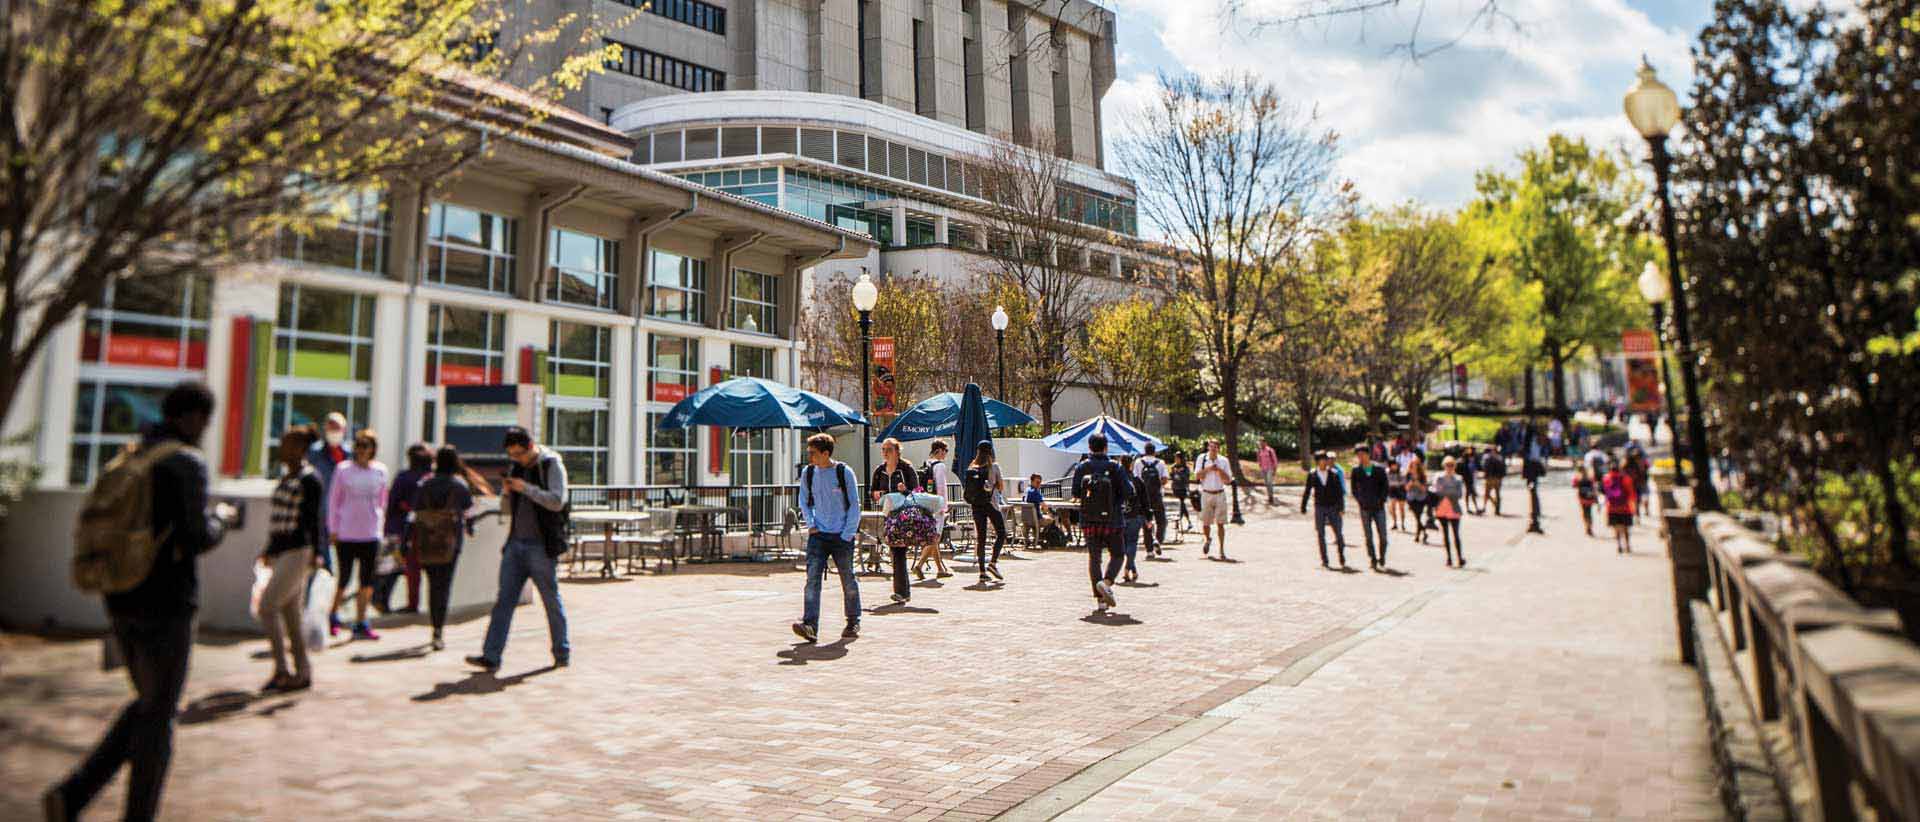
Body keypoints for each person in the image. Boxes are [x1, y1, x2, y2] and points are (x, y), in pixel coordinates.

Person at [44, 382, 237, 822]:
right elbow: (195, 537)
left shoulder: (135, 456)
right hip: (168, 603)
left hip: (121, 596)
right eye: (205, 419)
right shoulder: (185, 463)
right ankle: (129, 813)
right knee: (159, 713)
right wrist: (222, 521)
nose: (205, 428)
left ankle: (73, 795)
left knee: (151, 702)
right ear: (191, 417)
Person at [466, 426, 571, 671]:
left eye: (519, 454)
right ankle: (491, 656)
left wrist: (526, 488)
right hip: (515, 544)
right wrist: (507, 493)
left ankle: (561, 652)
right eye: (512, 455)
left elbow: (557, 501)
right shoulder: (516, 467)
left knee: (550, 600)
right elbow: (507, 510)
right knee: (503, 601)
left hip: (541, 546)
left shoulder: (551, 464)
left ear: (531, 446)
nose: (516, 459)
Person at [257, 425, 323, 694]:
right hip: (284, 551)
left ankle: (283, 670)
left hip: (298, 552)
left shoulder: (310, 479)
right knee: (290, 614)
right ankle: (302, 671)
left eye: (286, 443)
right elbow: (279, 520)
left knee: (267, 606)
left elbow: (312, 521)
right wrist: (269, 548)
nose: (281, 448)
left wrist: (317, 554)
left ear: (299, 448)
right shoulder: (287, 477)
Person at [412, 446, 493, 651]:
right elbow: (469, 511)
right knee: (444, 585)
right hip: (451, 541)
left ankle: (434, 624)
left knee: (432, 585)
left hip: (427, 541)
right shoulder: (459, 485)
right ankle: (438, 630)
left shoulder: (425, 484)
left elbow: (415, 511)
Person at [789, 433, 862, 643]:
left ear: (825, 453)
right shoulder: (808, 473)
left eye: (812, 453)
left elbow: (855, 504)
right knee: (812, 580)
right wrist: (811, 524)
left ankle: (853, 620)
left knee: (848, 579)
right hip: (818, 535)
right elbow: (803, 500)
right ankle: (810, 625)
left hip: (841, 535)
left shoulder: (843, 472)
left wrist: (848, 533)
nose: (809, 456)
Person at [327, 429, 390, 641]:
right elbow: (334, 500)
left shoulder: (380, 471)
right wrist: (333, 528)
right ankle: (333, 615)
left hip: (370, 532)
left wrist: (380, 526)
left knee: (367, 580)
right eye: (359, 445)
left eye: (366, 446)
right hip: (346, 532)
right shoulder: (343, 470)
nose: (362, 450)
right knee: (343, 577)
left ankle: (361, 620)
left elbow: (383, 501)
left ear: (372, 449)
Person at [1071, 433, 1131, 611]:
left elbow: (1075, 493)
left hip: (1089, 519)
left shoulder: (1082, 467)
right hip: (1113, 519)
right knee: (1118, 554)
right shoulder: (1115, 467)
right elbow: (1128, 491)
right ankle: (1106, 582)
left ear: (1089, 447)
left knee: (1094, 559)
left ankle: (1100, 600)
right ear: (1106, 447)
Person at [375, 443, 432, 614]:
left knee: (390, 568)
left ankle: (381, 600)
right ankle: (408, 603)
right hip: (417, 531)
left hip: (397, 529)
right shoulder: (429, 478)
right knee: (409, 569)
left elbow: (392, 503)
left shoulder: (403, 477)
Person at [881, 483, 945, 604]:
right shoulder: (918, 496)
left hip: (898, 530)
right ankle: (903, 592)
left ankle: (902, 591)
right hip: (912, 530)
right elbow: (939, 502)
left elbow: (885, 511)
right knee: (899, 557)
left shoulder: (893, 496)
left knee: (898, 557)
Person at [962, 440, 1008, 584]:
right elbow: (1001, 487)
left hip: (976, 505)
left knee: (981, 538)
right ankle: (993, 563)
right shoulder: (993, 467)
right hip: (991, 504)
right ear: (990, 452)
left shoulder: (972, 467)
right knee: (1001, 532)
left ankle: (982, 572)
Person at [1300, 451, 1348, 569]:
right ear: (1318, 461)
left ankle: (1341, 554)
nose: (1325, 462)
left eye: (1326, 460)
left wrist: (1341, 507)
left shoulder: (1334, 474)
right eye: (1322, 460)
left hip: (1332, 506)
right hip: (1320, 507)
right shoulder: (1312, 474)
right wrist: (1303, 506)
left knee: (1338, 533)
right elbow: (1307, 490)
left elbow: (1339, 493)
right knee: (1321, 533)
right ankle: (1324, 559)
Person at [1348, 444, 1390, 570]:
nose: (1361, 457)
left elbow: (1385, 487)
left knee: (1383, 535)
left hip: (1379, 507)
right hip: (1365, 507)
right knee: (1368, 535)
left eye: (1363, 454)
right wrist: (1360, 500)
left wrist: (1381, 500)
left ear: (1368, 454)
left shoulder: (1379, 469)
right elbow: (1354, 489)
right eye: (1358, 455)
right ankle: (1372, 558)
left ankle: (1382, 555)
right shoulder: (1356, 471)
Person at [1195, 439, 1232, 558]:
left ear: (1218, 449)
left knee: (1220, 523)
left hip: (1219, 493)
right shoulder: (1202, 459)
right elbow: (1197, 476)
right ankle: (1207, 539)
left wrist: (1219, 470)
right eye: (1211, 447)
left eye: (1215, 448)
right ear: (1208, 448)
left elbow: (1228, 480)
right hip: (1206, 493)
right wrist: (1209, 469)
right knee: (1206, 522)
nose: (1212, 450)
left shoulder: (1223, 461)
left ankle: (1221, 550)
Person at [1133, 443, 1169, 556]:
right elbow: (1164, 479)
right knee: (1161, 520)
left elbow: (1135, 478)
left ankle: (1149, 550)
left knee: (1146, 521)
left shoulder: (1139, 462)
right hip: (1157, 496)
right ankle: (1157, 540)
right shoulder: (1160, 463)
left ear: (1144, 450)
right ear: (1154, 451)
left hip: (1143, 497)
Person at [1432, 457, 1467, 567]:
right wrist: (1449, 492)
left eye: (1451, 465)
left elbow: (1459, 494)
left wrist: (1446, 492)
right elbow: (1437, 491)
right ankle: (1448, 558)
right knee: (1445, 535)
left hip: (1454, 508)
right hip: (1442, 508)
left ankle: (1459, 557)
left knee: (1456, 535)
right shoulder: (1439, 477)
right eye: (1447, 465)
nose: (1449, 468)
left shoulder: (1458, 479)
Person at [870, 437, 920, 508]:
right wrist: (875, 494)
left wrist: (905, 491)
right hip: (885, 512)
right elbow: (872, 493)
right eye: (883, 449)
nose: (885, 453)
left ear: (897, 451)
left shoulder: (907, 468)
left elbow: (917, 493)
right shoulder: (879, 470)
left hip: (904, 513)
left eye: (889, 450)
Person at [1603, 457, 1637, 553]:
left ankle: (1619, 546)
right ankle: (1628, 546)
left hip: (1612, 508)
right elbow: (1631, 494)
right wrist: (1633, 506)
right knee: (1626, 528)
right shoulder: (1626, 479)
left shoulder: (1606, 478)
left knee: (1616, 528)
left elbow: (1606, 493)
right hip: (1625, 507)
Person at [1405, 461, 1432, 544]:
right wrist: (1410, 483)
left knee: (1418, 516)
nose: (1413, 469)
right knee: (1417, 517)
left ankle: (1418, 535)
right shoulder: (1408, 475)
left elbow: (1424, 489)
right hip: (1411, 498)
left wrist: (1418, 484)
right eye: (1412, 467)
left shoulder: (1422, 476)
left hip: (1420, 498)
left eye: (1415, 467)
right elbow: (1406, 488)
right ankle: (1423, 532)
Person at [1168, 451, 1193, 537]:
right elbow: (1171, 476)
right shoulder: (1173, 467)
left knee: (1182, 505)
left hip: (1182, 488)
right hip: (1175, 488)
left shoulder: (1185, 468)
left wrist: (1179, 473)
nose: (1176, 460)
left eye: (1177, 458)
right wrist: (1174, 472)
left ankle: (1184, 521)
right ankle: (1179, 522)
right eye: (1175, 458)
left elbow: (1186, 478)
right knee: (1179, 506)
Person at [1574, 464, 1599, 537]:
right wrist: (1596, 498)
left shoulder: (1577, 478)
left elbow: (1574, 486)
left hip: (1582, 498)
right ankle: (1589, 527)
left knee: (1584, 513)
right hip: (1590, 498)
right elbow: (1594, 488)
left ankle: (1587, 527)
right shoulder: (1590, 477)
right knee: (1589, 512)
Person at [1481, 446, 1507, 515]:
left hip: (1490, 478)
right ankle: (1496, 508)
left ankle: (1489, 506)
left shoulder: (1487, 457)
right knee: (1496, 494)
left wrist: (1485, 476)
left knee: (1487, 493)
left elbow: (1485, 467)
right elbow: (1504, 468)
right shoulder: (1500, 458)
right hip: (1498, 478)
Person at [1625, 450, 1651, 518]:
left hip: (1636, 483)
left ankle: (1638, 513)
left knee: (1637, 499)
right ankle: (1645, 511)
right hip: (1642, 482)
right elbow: (1648, 468)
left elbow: (1624, 470)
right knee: (1644, 497)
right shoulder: (1643, 462)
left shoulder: (1631, 463)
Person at [1386, 455, 1408, 531]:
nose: (1394, 466)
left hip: (1400, 490)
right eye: (1392, 465)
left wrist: (1395, 483)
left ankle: (1403, 523)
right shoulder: (1387, 471)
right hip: (1392, 491)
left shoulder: (1401, 471)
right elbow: (1387, 482)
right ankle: (1394, 523)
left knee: (1401, 508)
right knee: (1392, 507)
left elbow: (1403, 481)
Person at [1257, 440, 1279, 505]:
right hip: (1263, 469)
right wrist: (1260, 466)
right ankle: (1269, 495)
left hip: (1270, 468)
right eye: (1260, 443)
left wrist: (1275, 469)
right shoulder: (1259, 451)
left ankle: (1271, 496)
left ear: (1265, 443)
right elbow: (1259, 460)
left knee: (1269, 482)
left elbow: (1275, 460)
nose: (1261, 445)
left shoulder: (1270, 450)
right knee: (1266, 483)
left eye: (1262, 443)